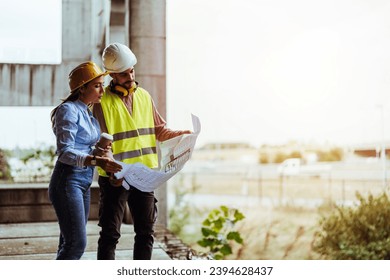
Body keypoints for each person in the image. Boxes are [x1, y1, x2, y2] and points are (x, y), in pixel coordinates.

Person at [93, 42, 191, 260]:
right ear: (112, 76)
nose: (129, 76)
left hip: (144, 177)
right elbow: (101, 146)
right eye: (123, 74)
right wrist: (112, 172)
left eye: (131, 71)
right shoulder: (101, 103)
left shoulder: (145, 96)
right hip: (114, 179)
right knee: (110, 235)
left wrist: (182, 135)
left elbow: (160, 130)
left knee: (146, 233)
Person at [48, 61, 123, 260]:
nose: (102, 89)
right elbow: (65, 152)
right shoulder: (68, 110)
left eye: (102, 84)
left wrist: (102, 152)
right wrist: (95, 161)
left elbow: (88, 148)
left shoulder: (88, 113)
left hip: (83, 182)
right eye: (97, 85)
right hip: (67, 181)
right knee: (76, 244)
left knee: (68, 241)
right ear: (82, 88)